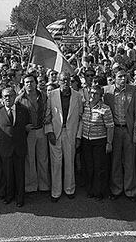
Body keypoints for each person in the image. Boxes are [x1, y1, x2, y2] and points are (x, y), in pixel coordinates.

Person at [103, 67, 136, 201]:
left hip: (128, 129)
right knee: (116, 161)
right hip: (114, 130)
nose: (122, 79)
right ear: (114, 78)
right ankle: (116, 189)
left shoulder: (133, 90)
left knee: (130, 161)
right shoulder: (106, 91)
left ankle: (131, 190)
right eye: (119, 76)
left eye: (124, 76)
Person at [45, 71, 83, 202]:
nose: (65, 82)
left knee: (69, 162)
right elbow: (47, 115)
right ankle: (55, 192)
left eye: (67, 80)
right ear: (58, 81)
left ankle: (69, 189)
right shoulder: (52, 95)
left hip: (70, 132)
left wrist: (78, 136)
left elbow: (80, 117)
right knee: (56, 163)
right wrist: (49, 131)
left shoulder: (77, 96)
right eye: (62, 80)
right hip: (55, 133)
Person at [0, 87, 31, 207]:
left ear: (15, 96)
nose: (8, 98)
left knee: (19, 174)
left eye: (10, 96)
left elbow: (27, 127)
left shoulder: (23, 110)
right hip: (5, 149)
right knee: (8, 174)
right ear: (2, 99)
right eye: (5, 96)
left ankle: (20, 198)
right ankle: (9, 196)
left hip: (19, 147)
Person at [15, 74, 49, 193]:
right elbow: (16, 116)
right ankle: (31, 186)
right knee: (30, 160)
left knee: (43, 159)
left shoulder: (43, 96)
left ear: (35, 83)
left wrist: (47, 118)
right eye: (27, 82)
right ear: (24, 85)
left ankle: (44, 185)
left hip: (41, 130)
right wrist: (23, 126)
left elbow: (47, 110)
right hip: (28, 133)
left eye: (31, 82)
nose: (29, 84)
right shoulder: (19, 99)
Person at [80, 85, 114, 200]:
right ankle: (90, 189)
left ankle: (99, 191)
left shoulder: (105, 108)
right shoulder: (84, 106)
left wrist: (109, 143)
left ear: (100, 96)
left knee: (99, 167)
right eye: (92, 92)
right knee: (89, 166)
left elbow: (110, 127)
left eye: (96, 93)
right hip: (86, 140)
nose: (93, 95)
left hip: (99, 140)